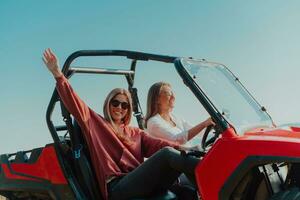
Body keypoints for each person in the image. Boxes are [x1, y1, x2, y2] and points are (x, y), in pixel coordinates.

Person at [42, 48, 200, 200]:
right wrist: (58, 74)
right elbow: (75, 104)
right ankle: (216, 171)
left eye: (124, 105)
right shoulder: (96, 124)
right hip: (117, 187)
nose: (119, 108)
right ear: (108, 104)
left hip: (138, 180)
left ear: (129, 109)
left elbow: (158, 144)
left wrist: (186, 149)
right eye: (115, 103)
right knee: (167, 154)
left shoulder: (135, 133)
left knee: (187, 191)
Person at [145, 82, 215, 148]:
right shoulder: (153, 122)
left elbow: (197, 132)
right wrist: (204, 124)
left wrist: (212, 125)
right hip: (175, 159)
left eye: (173, 94)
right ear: (157, 99)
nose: (173, 97)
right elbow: (177, 140)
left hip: (188, 156)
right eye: (169, 94)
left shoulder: (175, 118)